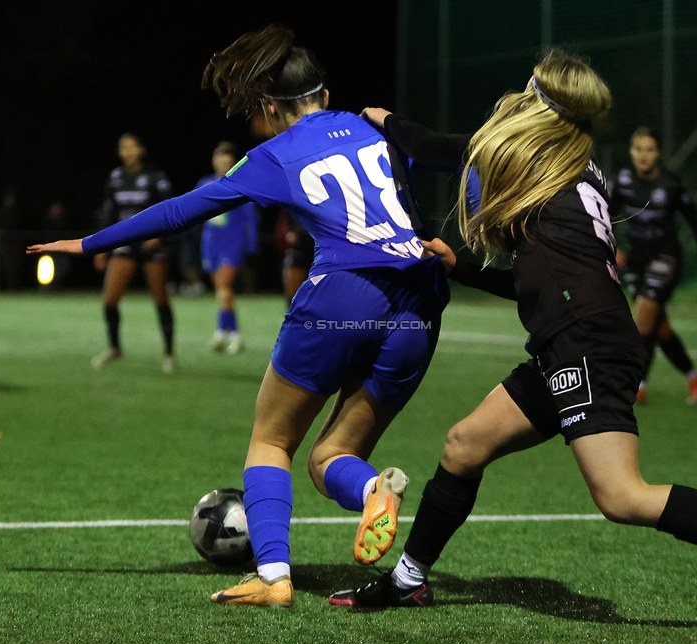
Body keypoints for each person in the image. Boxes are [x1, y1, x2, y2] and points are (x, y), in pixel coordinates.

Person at [328, 51, 697, 639]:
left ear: (540, 104)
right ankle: (409, 581)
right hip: (575, 337)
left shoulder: (532, 157)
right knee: (463, 446)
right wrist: (460, 264)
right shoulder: (575, 167)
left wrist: (388, 122)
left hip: (585, 342)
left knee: (621, 495)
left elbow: (439, 149)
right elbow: (537, 284)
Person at [29, 24, 448, 609]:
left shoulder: (273, 154)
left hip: (343, 293)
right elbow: (458, 165)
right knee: (330, 457)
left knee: (272, 441)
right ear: (326, 96)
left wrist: (91, 243)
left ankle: (274, 577)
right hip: (420, 297)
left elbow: (182, 211)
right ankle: (374, 488)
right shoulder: (375, 126)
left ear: (271, 108)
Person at [609, 128, 697, 405]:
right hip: (636, 261)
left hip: (666, 258)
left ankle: (637, 386)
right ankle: (695, 379)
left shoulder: (670, 184)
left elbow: (695, 220)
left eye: (649, 150)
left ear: (659, 154)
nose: (643, 155)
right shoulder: (623, 181)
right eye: (638, 149)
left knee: (642, 319)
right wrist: (612, 246)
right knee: (659, 328)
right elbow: (605, 215)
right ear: (631, 153)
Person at [91, 133, 177, 373]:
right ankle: (115, 348)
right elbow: (108, 214)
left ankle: (169, 353)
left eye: (132, 147)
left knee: (160, 299)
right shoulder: (116, 178)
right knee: (109, 300)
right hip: (125, 244)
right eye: (123, 148)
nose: (128, 152)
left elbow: (171, 209)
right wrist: (101, 247)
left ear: (141, 150)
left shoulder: (155, 177)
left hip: (151, 246)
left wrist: (159, 236)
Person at [197, 141, 261, 354]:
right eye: (220, 159)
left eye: (227, 160)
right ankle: (235, 336)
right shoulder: (204, 183)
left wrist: (251, 246)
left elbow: (249, 219)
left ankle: (220, 333)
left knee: (224, 288)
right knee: (223, 292)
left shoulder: (240, 184)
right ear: (213, 161)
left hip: (232, 245)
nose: (223, 163)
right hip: (211, 245)